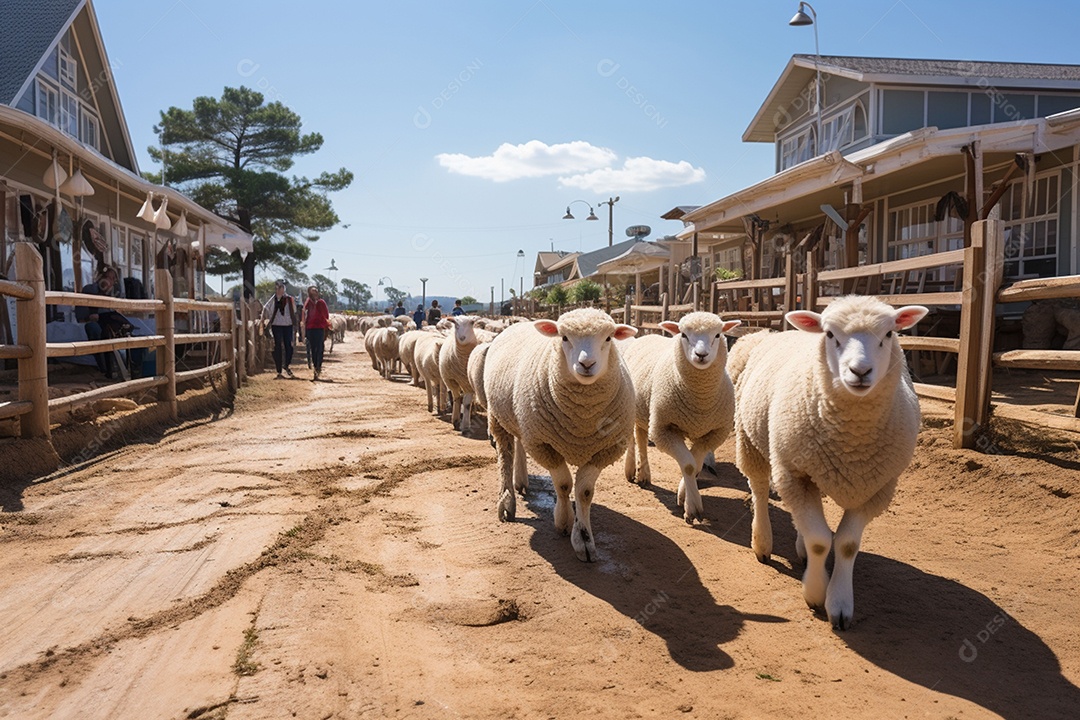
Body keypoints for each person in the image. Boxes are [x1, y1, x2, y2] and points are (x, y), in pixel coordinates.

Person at [74, 266, 127, 378]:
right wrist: (91, 317)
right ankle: (104, 368)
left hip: (107, 325)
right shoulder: (90, 290)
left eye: (113, 279)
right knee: (95, 329)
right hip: (93, 324)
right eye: (107, 277)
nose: (110, 281)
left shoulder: (112, 296)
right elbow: (81, 315)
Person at [262, 280, 298, 379]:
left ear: (283, 289)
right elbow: (266, 308)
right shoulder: (273, 299)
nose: (278, 290)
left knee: (288, 346)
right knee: (277, 346)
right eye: (277, 288)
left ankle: (286, 364)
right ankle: (279, 369)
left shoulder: (290, 299)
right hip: (276, 325)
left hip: (288, 324)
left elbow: (294, 310)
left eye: (280, 288)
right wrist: (266, 318)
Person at [302, 285, 331, 380]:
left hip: (320, 328)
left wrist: (327, 325)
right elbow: (304, 314)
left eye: (316, 291)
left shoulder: (321, 303)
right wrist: (303, 328)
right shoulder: (308, 303)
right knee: (313, 349)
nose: (314, 293)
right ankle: (315, 367)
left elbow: (326, 315)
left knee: (320, 348)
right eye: (312, 292)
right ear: (309, 293)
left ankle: (318, 366)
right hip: (310, 328)